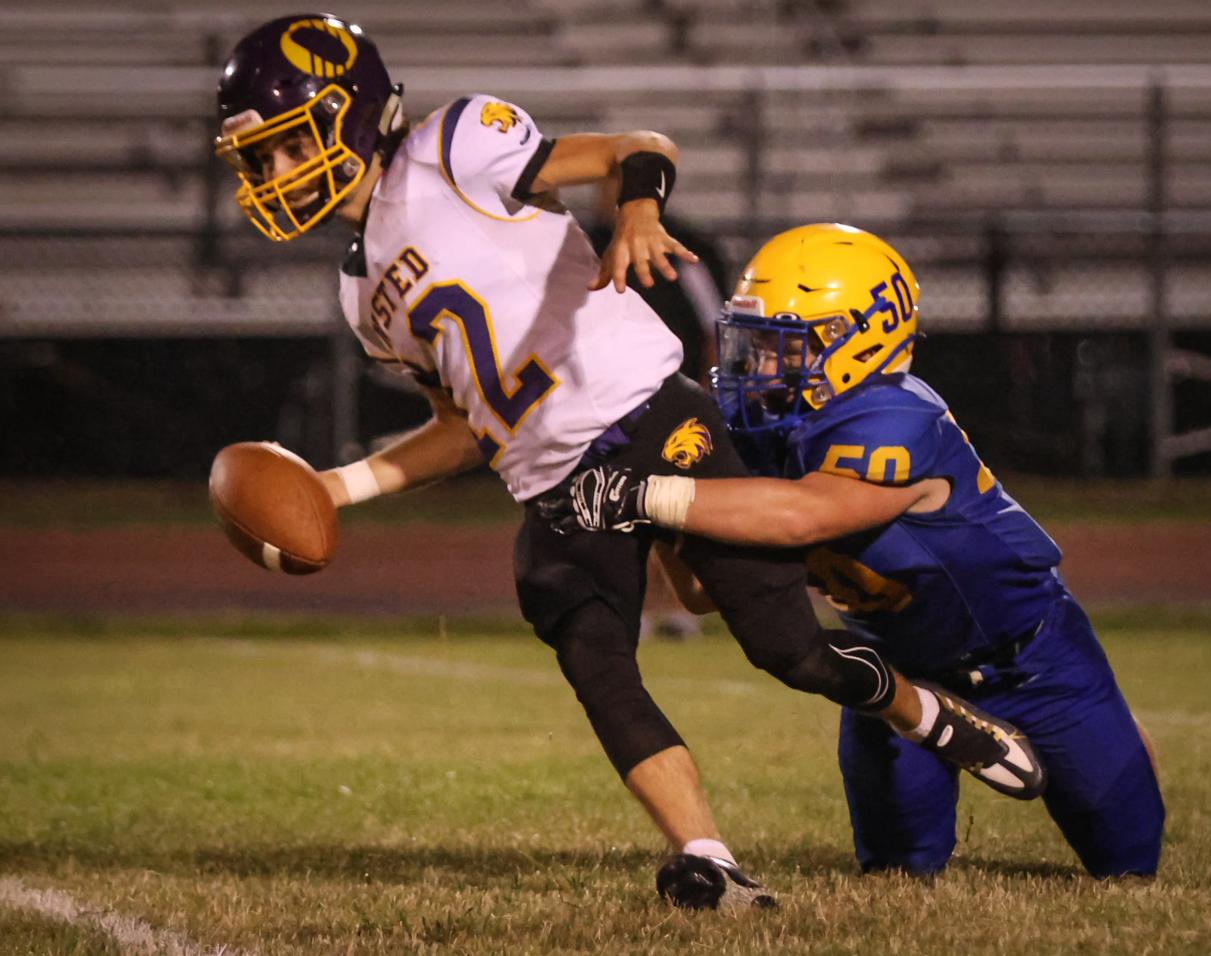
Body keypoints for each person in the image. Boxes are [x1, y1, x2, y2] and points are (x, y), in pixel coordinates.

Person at [213, 17, 1044, 909]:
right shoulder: (358, 291)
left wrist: (636, 211)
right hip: (552, 489)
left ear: (350, 115)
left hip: (647, 414)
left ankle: (921, 713)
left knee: (787, 650)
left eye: (280, 150)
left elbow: (636, 150)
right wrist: (338, 486)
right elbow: (461, 428)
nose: (268, 178)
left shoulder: (451, 146)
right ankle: (708, 857)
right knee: (599, 666)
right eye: (255, 163)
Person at [546, 223, 1165, 878]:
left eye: (782, 347)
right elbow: (702, 594)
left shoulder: (894, 417)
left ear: (858, 339)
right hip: (898, 675)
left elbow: (803, 517)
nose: (755, 365)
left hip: (1032, 663)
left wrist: (646, 494)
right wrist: (660, 519)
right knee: (896, 872)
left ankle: (1117, 740)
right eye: (752, 343)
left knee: (1128, 865)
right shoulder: (764, 426)